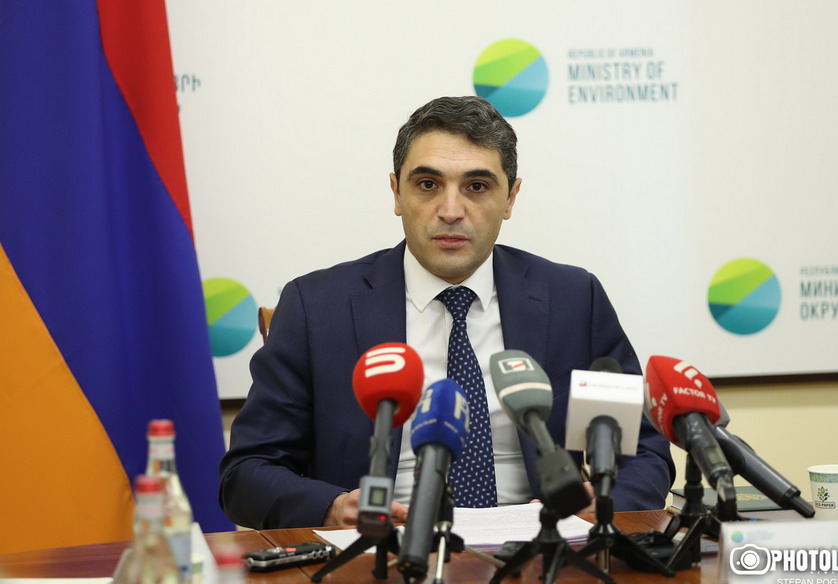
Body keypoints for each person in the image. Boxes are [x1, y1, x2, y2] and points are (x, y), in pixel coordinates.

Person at [219, 96, 674, 530]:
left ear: (511, 198)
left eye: (477, 187)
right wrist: (332, 508)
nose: (451, 211)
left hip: (541, 548)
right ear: (396, 193)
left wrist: (604, 506)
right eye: (427, 184)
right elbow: (247, 471)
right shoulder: (317, 307)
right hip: (383, 552)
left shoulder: (572, 299)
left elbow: (642, 451)